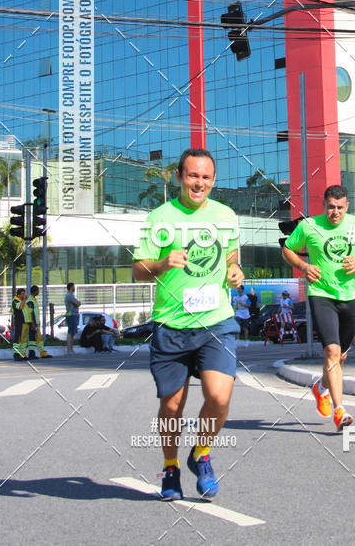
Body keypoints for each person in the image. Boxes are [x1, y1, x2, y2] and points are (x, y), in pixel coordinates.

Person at [133, 148, 243, 501]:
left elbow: (230, 256)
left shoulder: (225, 215)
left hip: (217, 322)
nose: (199, 183)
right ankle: (170, 467)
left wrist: (234, 269)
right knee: (171, 406)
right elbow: (138, 271)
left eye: (206, 177)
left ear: (213, 180)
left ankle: (201, 454)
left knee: (219, 396)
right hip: (172, 325)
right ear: (179, 176)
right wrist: (164, 263)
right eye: (193, 175)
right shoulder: (159, 218)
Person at [282, 184, 355, 431]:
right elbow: (287, 249)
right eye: (330, 207)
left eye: (339, 208)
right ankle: (340, 410)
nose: (335, 212)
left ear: (346, 206)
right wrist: (305, 267)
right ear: (324, 206)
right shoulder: (309, 226)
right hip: (321, 294)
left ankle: (320, 388)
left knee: (342, 356)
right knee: (331, 351)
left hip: (349, 297)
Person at [26, 285, 51, 359]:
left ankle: (42, 353)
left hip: (36, 323)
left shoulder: (33, 299)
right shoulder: (30, 301)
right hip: (32, 324)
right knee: (32, 339)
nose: (39, 292)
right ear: (35, 291)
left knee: (38, 339)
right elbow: (30, 313)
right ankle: (32, 354)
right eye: (38, 291)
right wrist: (33, 323)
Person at [11, 287, 30, 361]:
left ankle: (22, 354)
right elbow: (20, 307)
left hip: (25, 322)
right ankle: (16, 354)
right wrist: (24, 300)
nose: (24, 295)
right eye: (23, 294)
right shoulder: (15, 301)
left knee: (23, 339)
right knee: (18, 338)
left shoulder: (22, 301)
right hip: (19, 322)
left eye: (24, 294)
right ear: (18, 295)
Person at [65, 282, 81, 355]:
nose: (74, 288)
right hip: (71, 315)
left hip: (73, 315)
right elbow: (77, 303)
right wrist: (78, 303)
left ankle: (71, 349)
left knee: (72, 333)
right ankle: (69, 350)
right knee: (70, 332)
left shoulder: (71, 295)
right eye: (74, 287)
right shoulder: (69, 295)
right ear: (71, 287)